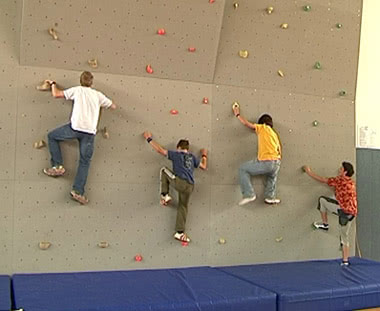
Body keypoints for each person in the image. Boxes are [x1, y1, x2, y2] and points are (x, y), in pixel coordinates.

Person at [43, 71, 117, 204]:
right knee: (84, 162)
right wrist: (98, 106)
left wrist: (53, 83)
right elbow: (113, 106)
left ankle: (58, 166)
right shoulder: (98, 95)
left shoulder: (77, 90)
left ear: (80, 81)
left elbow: (56, 94)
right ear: (91, 82)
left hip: (75, 128)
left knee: (52, 136)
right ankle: (78, 191)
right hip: (89, 133)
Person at [143, 131, 207, 243]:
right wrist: (204, 155)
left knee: (164, 170)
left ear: (178, 147)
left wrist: (149, 139)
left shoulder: (176, 154)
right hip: (190, 187)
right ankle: (179, 233)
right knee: (183, 207)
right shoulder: (192, 157)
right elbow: (203, 166)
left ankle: (165, 195)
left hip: (180, 182)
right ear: (187, 149)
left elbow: (160, 150)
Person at [303, 162, 358, 266]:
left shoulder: (340, 180)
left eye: (341, 169)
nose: (339, 169)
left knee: (322, 200)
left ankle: (325, 224)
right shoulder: (351, 182)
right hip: (352, 213)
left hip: (343, 211)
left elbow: (324, 180)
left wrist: (309, 172)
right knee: (344, 236)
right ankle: (345, 261)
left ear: (345, 172)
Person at [232, 104, 281, 206]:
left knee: (243, 169)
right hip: (276, 163)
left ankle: (249, 194)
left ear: (262, 122)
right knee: (271, 178)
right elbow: (279, 150)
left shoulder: (263, 128)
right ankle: (270, 197)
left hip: (266, 161)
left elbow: (247, 124)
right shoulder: (274, 134)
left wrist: (237, 114)